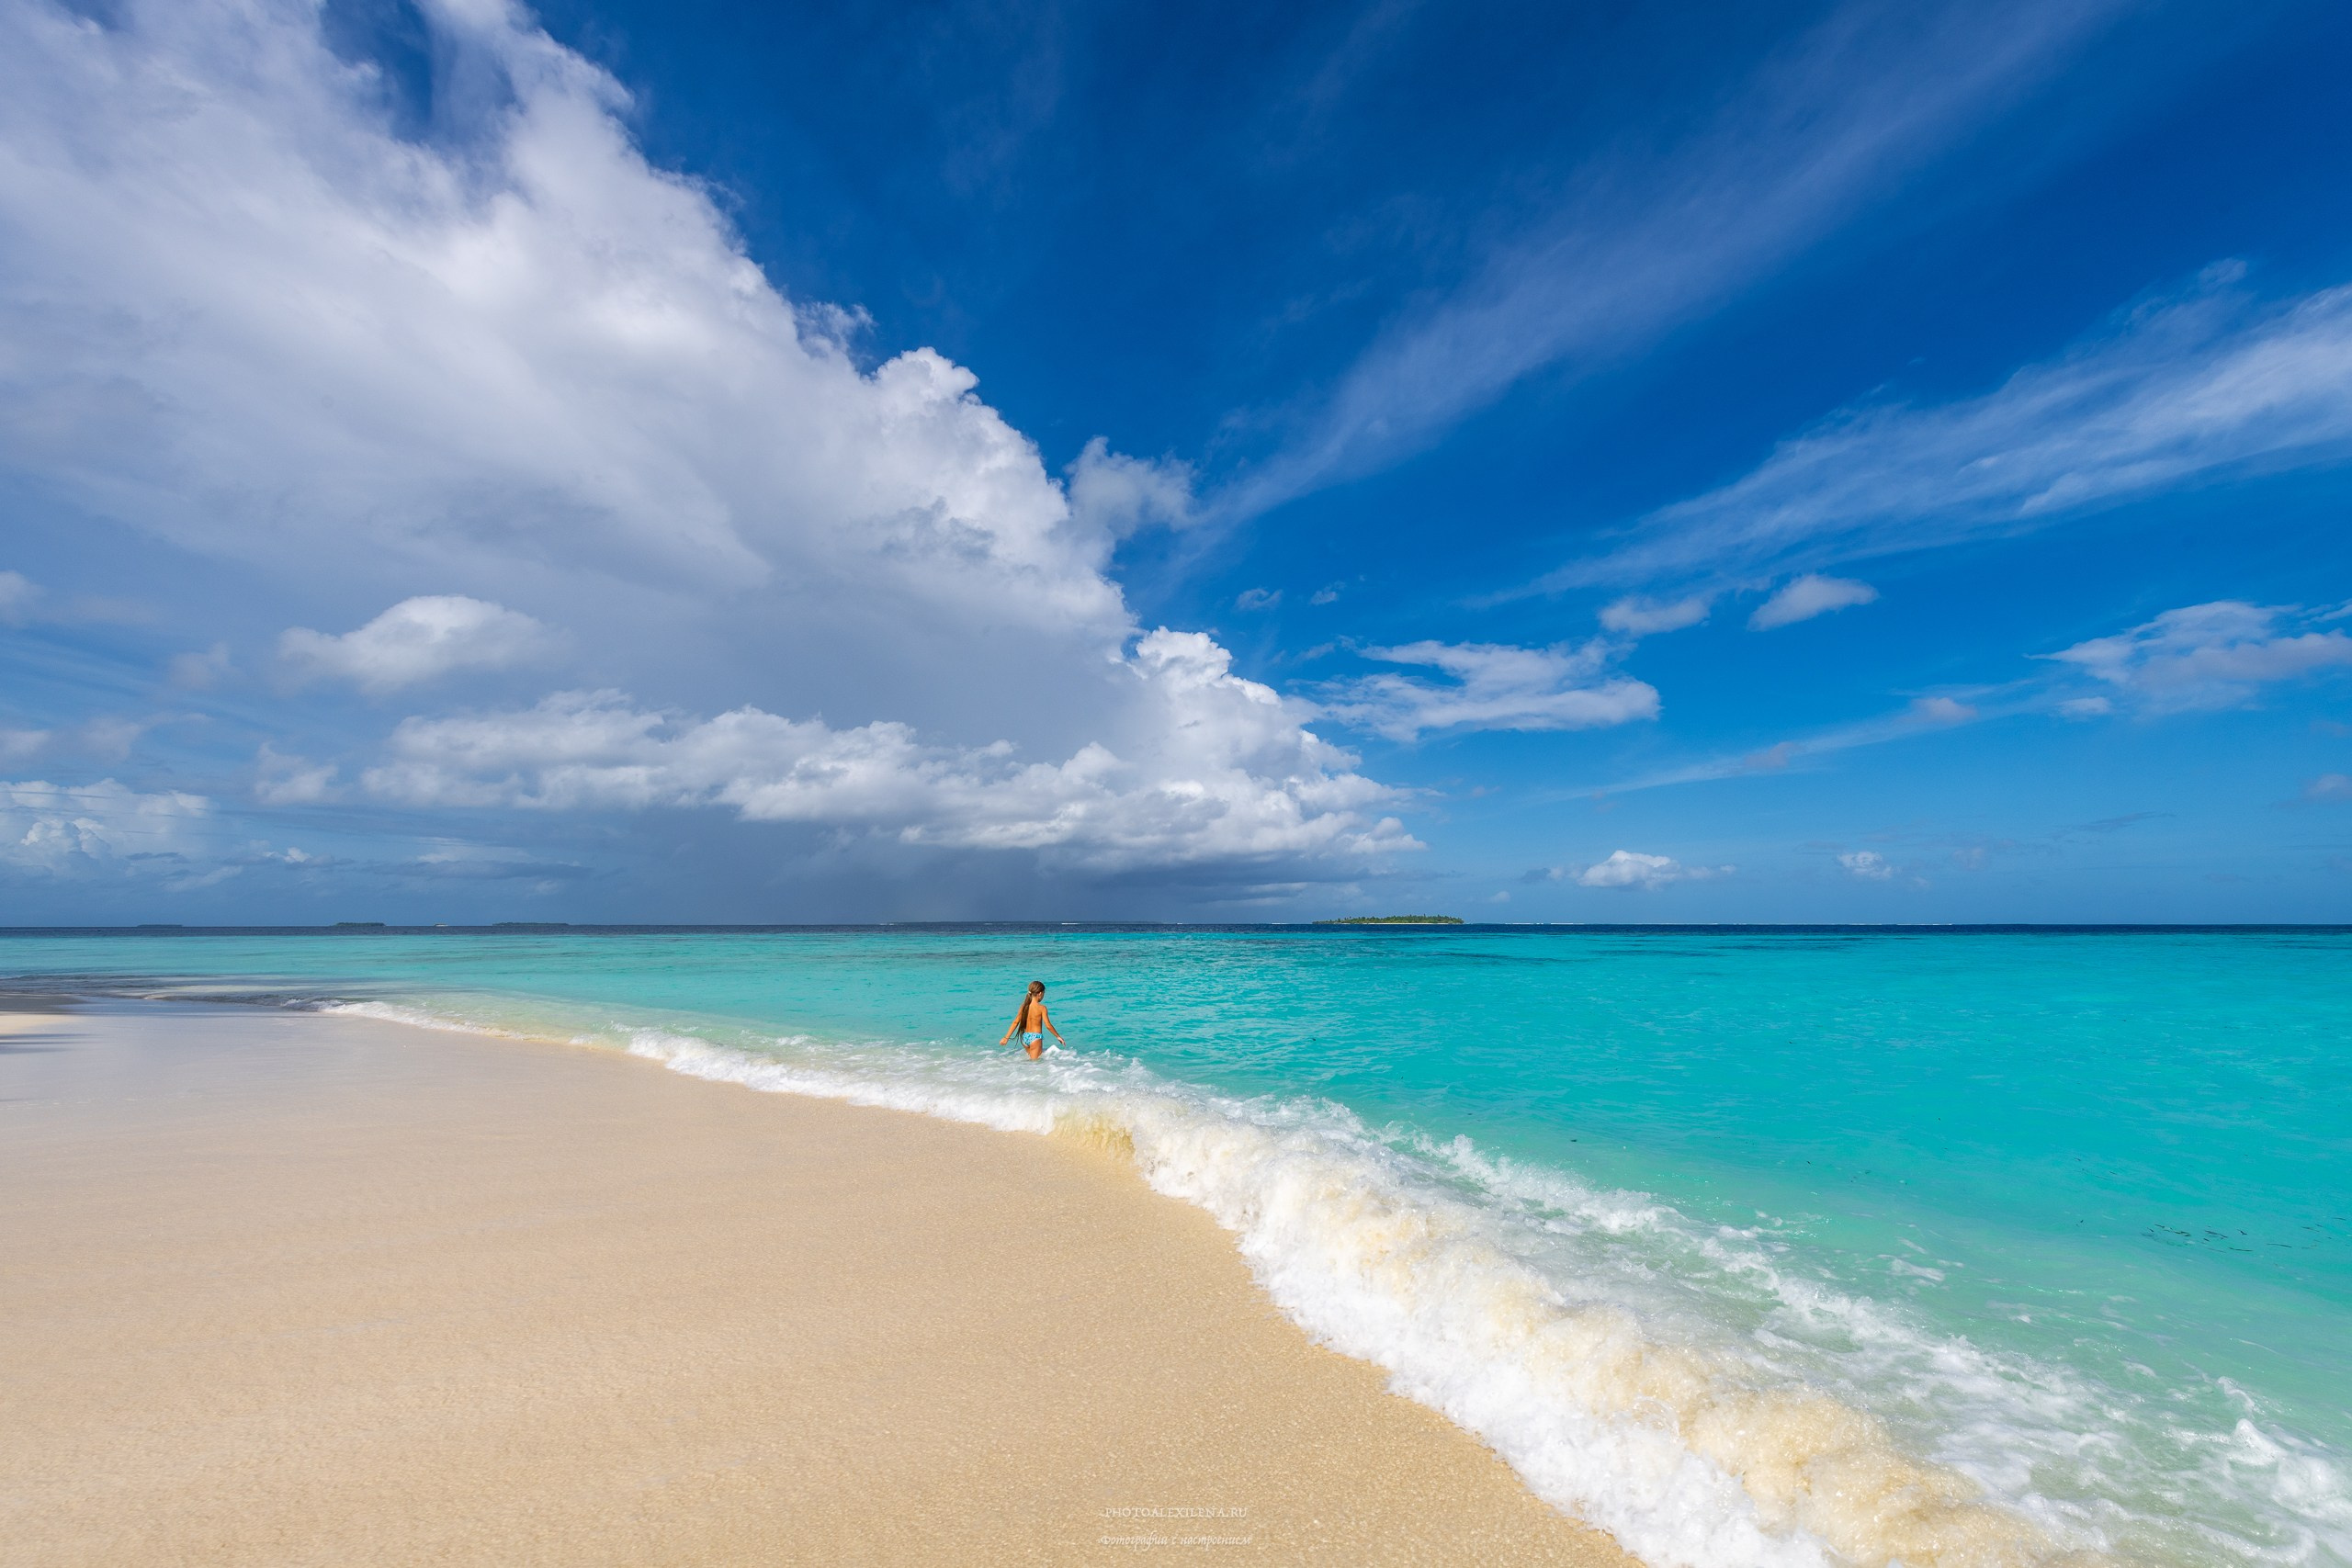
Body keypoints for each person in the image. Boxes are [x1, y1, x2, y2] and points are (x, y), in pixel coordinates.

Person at [999, 979, 1063, 1060]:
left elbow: (1015, 1022)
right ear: (1040, 993)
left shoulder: (1023, 1006)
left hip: (1024, 1038)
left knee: (1031, 1063)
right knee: (1034, 1064)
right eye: (1043, 993)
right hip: (1035, 1038)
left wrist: (1006, 1037)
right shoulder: (1042, 1008)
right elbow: (1048, 1025)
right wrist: (1058, 1036)